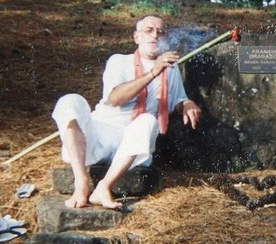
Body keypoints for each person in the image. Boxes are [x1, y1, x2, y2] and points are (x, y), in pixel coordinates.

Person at [52, 15, 202, 210]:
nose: (155, 35)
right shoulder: (119, 61)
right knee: (69, 101)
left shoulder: (170, 68)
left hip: (131, 146)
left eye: (161, 32)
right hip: (100, 134)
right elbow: (115, 98)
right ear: (136, 37)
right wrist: (153, 72)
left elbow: (176, 101)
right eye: (148, 30)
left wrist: (187, 103)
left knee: (148, 120)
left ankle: (103, 188)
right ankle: (81, 181)